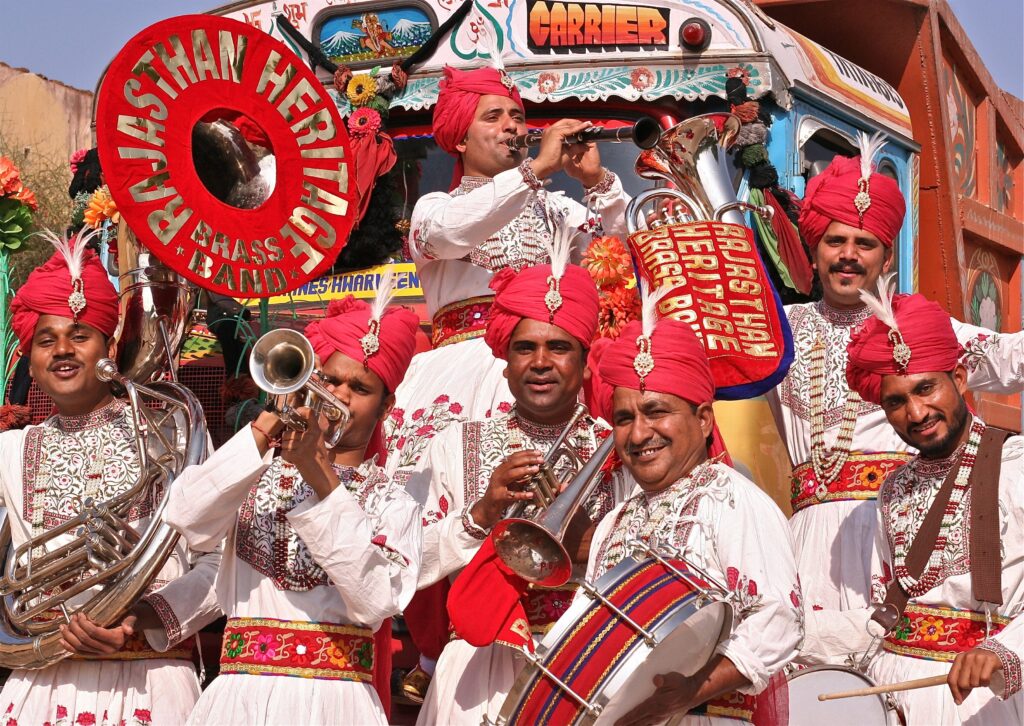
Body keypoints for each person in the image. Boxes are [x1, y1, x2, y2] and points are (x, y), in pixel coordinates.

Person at [389, 71, 629, 695]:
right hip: (462, 367)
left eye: (517, 117)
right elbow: (452, 234)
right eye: (495, 117)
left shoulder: (555, 205)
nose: (513, 128)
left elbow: (617, 254)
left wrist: (595, 182)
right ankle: (435, 653)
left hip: (544, 371)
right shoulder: (436, 206)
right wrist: (534, 172)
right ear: (458, 139)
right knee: (439, 503)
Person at [767, 136, 1024, 625]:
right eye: (835, 241)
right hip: (804, 540)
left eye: (864, 244)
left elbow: (1012, 357)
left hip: (900, 529)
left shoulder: (922, 331)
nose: (848, 255)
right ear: (815, 248)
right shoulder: (780, 329)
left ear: (887, 259)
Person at [162, 290, 423, 725]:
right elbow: (187, 516)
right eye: (330, 380)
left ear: (386, 405)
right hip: (238, 700)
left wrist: (322, 477)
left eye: (359, 388)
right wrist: (269, 421)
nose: (339, 394)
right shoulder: (252, 470)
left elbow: (374, 601)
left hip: (337, 705)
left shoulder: (393, 501)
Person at [0, 231, 221, 724]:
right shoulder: (11, 451)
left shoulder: (174, 430)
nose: (63, 351)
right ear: (30, 364)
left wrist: (141, 616)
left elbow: (220, 561)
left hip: (149, 678)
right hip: (39, 686)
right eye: (46, 340)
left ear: (108, 346)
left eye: (79, 335)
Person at [411, 257, 624, 724]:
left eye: (559, 347)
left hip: (584, 661)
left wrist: (595, 543)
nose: (541, 363)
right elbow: (407, 566)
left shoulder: (618, 446)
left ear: (585, 361)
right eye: (525, 348)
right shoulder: (454, 444)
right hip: (475, 671)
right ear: (505, 364)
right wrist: (482, 514)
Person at [803, 290, 1022, 723]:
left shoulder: (1017, 467)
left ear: (959, 380)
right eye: (896, 402)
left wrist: (1004, 650)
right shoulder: (893, 490)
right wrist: (795, 635)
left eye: (926, 388)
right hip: (895, 698)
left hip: (981, 703)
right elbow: (892, 615)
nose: (916, 412)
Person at [590, 311, 802, 726]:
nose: (638, 434)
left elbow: (780, 619)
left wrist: (692, 691)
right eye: (624, 418)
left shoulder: (733, 501)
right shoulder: (612, 523)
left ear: (704, 420)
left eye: (656, 412)